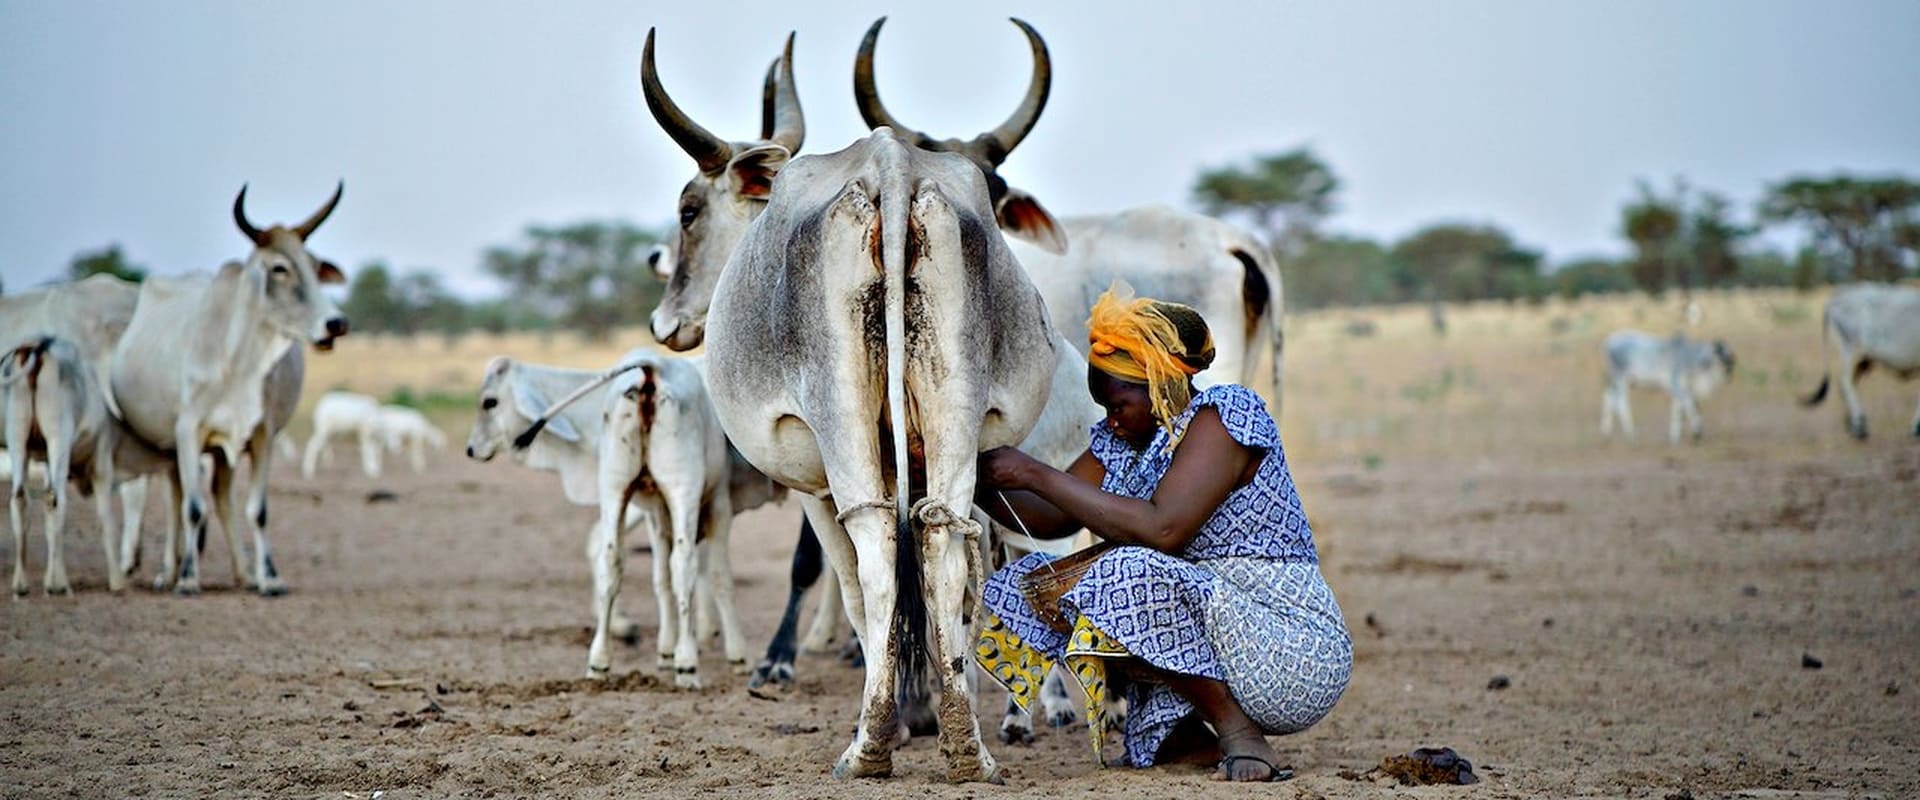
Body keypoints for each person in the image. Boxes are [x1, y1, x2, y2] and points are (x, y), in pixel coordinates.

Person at [973, 282, 1351, 783]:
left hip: (1286, 645)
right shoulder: (1126, 439)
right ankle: (1186, 732)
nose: (1111, 420)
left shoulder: (1225, 418)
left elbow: (1163, 528)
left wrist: (1033, 471)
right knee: (1034, 584)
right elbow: (1051, 517)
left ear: (1158, 384)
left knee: (1123, 570)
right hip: (1216, 626)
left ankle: (1240, 732)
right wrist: (961, 471)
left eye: (1118, 404)